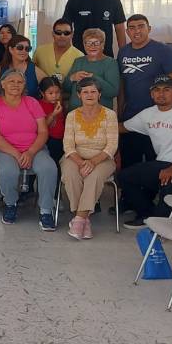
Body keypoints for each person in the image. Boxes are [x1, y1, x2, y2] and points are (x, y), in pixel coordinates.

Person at [119, 75, 172, 229]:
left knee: (169, 185)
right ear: (151, 94)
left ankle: (158, 223)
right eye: (157, 90)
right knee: (124, 177)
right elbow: (121, 127)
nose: (161, 94)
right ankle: (146, 214)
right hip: (161, 165)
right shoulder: (148, 114)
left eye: (166, 89)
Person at [0, 69, 58, 229]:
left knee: (49, 168)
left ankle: (46, 210)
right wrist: (17, 154)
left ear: (24, 85)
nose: (15, 85)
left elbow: (43, 131)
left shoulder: (31, 102)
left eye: (19, 82)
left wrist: (30, 152)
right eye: (11, 81)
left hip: (34, 148)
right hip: (4, 150)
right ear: (2, 84)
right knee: (8, 171)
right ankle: (10, 204)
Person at [117, 14, 172, 169]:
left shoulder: (163, 51)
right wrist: (120, 112)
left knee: (156, 163)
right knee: (130, 163)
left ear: (149, 29)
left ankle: (156, 193)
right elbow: (122, 86)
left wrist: (170, 114)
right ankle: (130, 193)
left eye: (141, 26)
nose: (136, 31)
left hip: (157, 118)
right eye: (132, 28)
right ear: (127, 32)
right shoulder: (123, 52)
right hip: (131, 117)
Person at [61, 78, 118, 239]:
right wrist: (80, 162)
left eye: (93, 91)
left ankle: (79, 220)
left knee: (93, 176)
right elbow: (68, 145)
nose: (89, 94)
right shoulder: (72, 115)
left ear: (99, 94)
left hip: (103, 158)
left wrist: (93, 162)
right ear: (79, 95)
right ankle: (84, 219)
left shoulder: (110, 115)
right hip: (74, 156)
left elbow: (112, 145)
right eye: (85, 92)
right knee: (71, 174)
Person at [62, 0, 127, 57]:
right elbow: (66, 28)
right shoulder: (74, 1)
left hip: (105, 55)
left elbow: (120, 29)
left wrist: (123, 53)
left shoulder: (114, 1)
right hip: (80, 55)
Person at [63, 28, 120, 110]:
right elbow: (66, 88)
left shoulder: (111, 63)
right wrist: (72, 78)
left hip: (100, 114)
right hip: (74, 113)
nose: (92, 46)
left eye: (96, 43)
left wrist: (94, 78)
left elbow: (113, 92)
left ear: (103, 44)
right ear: (84, 44)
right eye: (89, 43)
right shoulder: (78, 61)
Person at [0, 34, 47, 98]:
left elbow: (50, 89)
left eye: (27, 49)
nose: (23, 51)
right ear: (11, 49)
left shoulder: (35, 71)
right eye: (20, 48)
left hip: (30, 107)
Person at [38, 77, 65, 164]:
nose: (54, 96)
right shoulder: (38, 105)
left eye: (57, 92)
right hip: (49, 140)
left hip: (61, 138)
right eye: (50, 93)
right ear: (42, 93)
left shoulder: (59, 103)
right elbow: (42, 126)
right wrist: (53, 114)